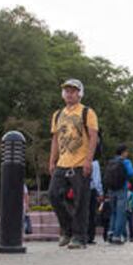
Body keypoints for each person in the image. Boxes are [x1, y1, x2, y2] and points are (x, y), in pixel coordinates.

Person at [48, 78, 99, 249]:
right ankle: (67, 229)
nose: (69, 94)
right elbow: (55, 139)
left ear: (80, 94)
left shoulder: (87, 112)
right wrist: (52, 160)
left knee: (81, 202)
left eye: (73, 91)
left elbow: (93, 137)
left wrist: (88, 160)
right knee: (53, 195)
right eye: (67, 91)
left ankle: (79, 237)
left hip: (80, 163)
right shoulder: (58, 114)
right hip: (62, 162)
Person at [104, 144, 133, 244]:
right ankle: (116, 236)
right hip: (122, 189)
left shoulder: (111, 161)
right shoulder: (126, 161)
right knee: (120, 213)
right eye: (126, 151)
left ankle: (110, 233)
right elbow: (131, 173)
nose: (127, 153)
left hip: (111, 190)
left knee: (113, 212)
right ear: (123, 152)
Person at [87, 157, 103, 244]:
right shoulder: (95, 163)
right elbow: (97, 179)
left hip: (81, 189)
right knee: (91, 213)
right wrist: (100, 192)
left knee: (82, 212)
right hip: (91, 190)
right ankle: (90, 236)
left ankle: (81, 234)